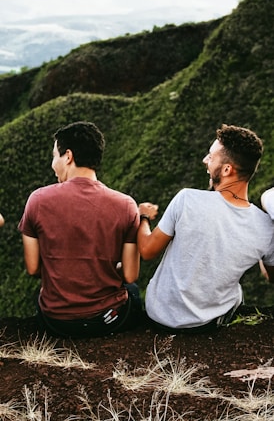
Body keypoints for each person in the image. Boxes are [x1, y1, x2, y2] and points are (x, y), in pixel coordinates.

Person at [138, 124, 274, 334]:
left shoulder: (187, 199)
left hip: (159, 316)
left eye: (211, 157)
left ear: (227, 169)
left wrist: (143, 217)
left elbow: (147, 251)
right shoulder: (265, 227)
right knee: (236, 292)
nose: (205, 160)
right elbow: (271, 276)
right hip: (207, 324)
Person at [18, 121, 142, 338]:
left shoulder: (37, 200)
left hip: (56, 321)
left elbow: (33, 268)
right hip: (107, 320)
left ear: (68, 156)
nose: (52, 164)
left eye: (54, 156)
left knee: (42, 298)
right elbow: (130, 274)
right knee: (133, 291)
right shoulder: (126, 205)